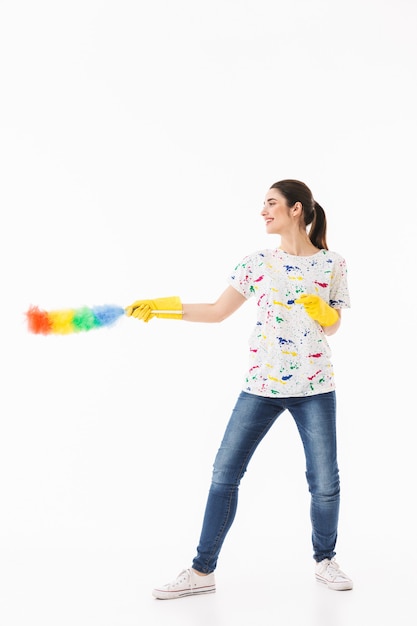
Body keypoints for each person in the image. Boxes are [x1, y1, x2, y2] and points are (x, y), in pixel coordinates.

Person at [126, 179, 353, 599]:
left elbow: (334, 325)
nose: (263, 211)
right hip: (262, 384)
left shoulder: (332, 264)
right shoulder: (258, 262)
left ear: (297, 209)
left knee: (324, 481)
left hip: (315, 385)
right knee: (224, 474)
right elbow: (216, 311)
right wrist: (161, 307)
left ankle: (325, 561)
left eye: (271, 204)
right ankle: (201, 571)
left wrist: (326, 314)